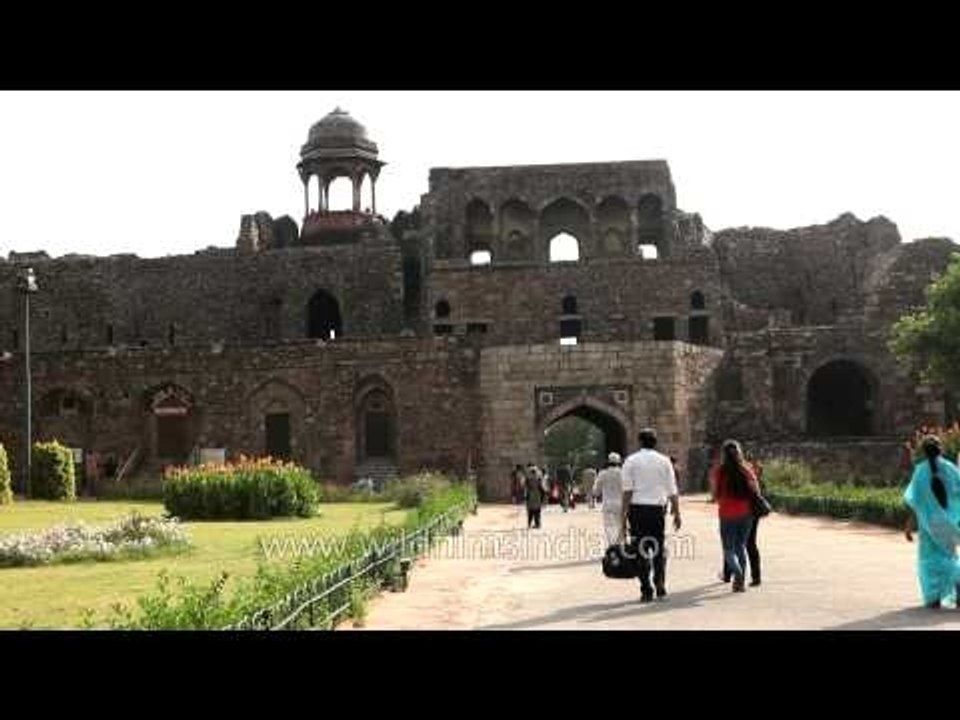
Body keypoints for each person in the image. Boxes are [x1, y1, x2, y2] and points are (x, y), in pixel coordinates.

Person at [620, 428, 681, 603]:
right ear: (655, 442)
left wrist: (623, 516)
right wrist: (677, 512)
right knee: (658, 548)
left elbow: (627, 491)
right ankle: (660, 583)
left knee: (640, 550)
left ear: (639, 442)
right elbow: (672, 489)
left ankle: (646, 589)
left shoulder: (631, 461)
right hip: (657, 510)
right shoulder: (664, 461)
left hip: (637, 510)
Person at [903, 435, 960, 609]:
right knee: (950, 558)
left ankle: (933, 598)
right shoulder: (950, 468)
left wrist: (909, 525)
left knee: (929, 562)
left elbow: (916, 502)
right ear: (940, 449)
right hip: (947, 523)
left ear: (923, 452)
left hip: (928, 526)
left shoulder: (920, 472)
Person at [710, 439, 760, 593]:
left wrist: (720, 497)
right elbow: (756, 490)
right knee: (740, 546)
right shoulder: (746, 469)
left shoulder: (719, 471)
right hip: (746, 513)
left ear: (723, 454)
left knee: (728, 549)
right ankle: (740, 582)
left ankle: (737, 573)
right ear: (739, 453)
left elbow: (714, 495)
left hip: (727, 513)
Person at [593, 453, 623, 546]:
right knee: (620, 525)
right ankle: (618, 544)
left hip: (608, 504)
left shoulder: (603, 474)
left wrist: (596, 494)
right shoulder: (623, 473)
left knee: (609, 526)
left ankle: (612, 545)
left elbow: (596, 491)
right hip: (621, 503)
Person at [524, 463, 548, 529]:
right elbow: (542, 487)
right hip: (537, 495)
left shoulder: (528, 478)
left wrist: (526, 496)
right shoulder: (539, 478)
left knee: (531, 511)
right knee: (537, 511)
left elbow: (525, 487)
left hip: (531, 495)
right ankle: (537, 524)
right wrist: (544, 495)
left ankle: (530, 524)